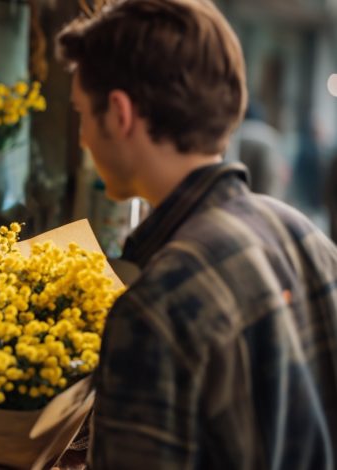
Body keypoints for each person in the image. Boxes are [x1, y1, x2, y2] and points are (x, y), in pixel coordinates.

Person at [57, 0, 337, 468]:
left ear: (120, 113)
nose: (83, 137)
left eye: (82, 113)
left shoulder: (157, 305)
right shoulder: (307, 239)